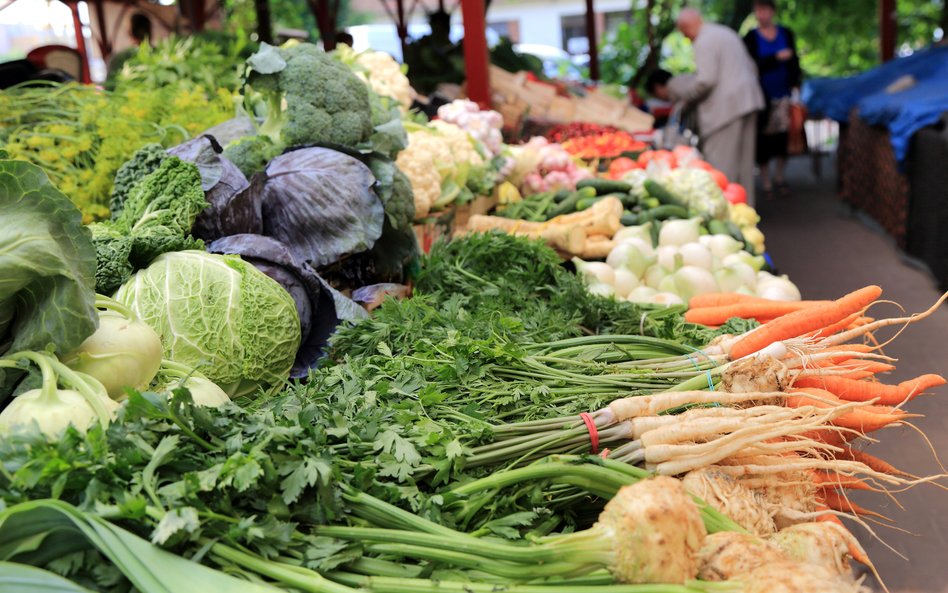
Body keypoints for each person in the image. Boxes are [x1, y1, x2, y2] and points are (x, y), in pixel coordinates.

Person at [654, 8, 765, 205]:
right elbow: (752, 67)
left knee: (721, 169)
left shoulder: (703, 41)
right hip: (749, 101)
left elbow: (706, 80)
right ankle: (747, 212)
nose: (686, 38)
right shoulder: (724, 32)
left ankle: (726, 216)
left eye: (683, 33)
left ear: (685, 27)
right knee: (745, 166)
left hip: (726, 110)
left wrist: (686, 98)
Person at [743, 0, 802, 199]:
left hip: (783, 94)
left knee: (783, 138)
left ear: (772, 11)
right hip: (761, 96)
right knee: (764, 139)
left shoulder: (786, 33)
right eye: (758, 10)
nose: (762, 14)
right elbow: (749, 66)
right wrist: (776, 57)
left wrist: (796, 87)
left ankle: (779, 177)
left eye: (765, 10)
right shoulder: (751, 38)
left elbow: (795, 63)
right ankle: (766, 181)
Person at [105, 13, 152, 86]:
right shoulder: (163, 55)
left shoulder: (117, 59)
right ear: (150, 31)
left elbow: (109, 88)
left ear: (129, 32)